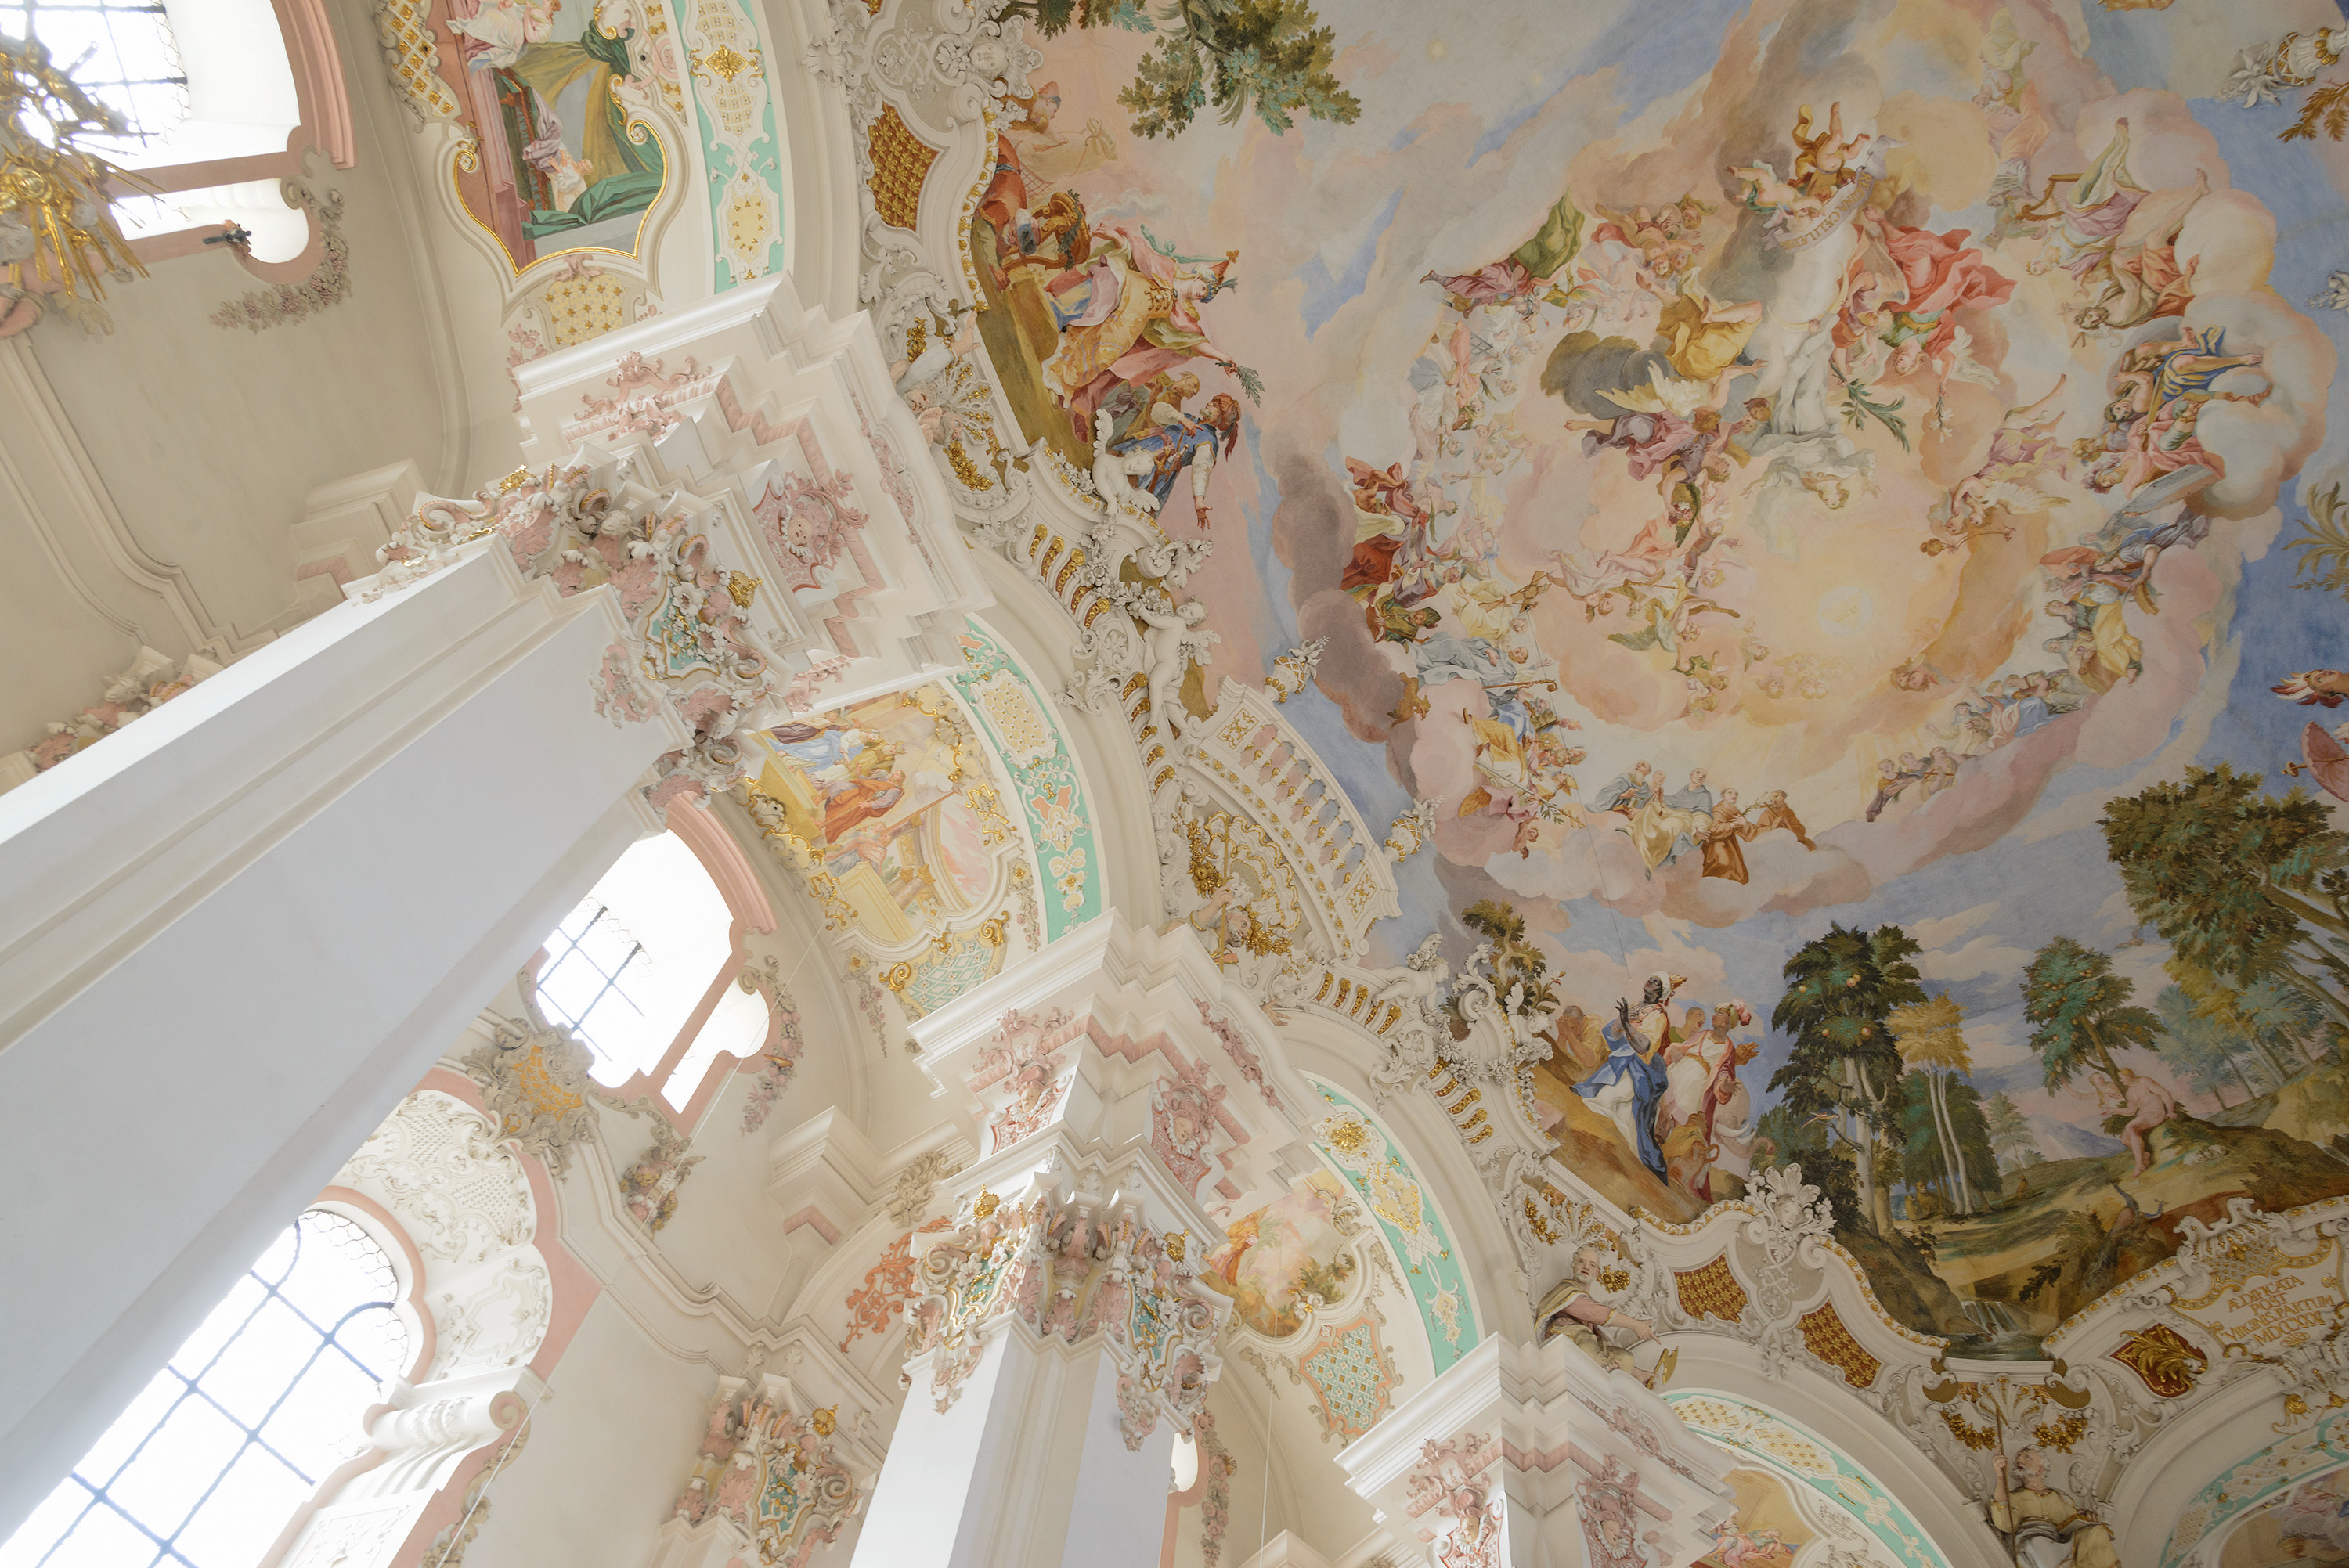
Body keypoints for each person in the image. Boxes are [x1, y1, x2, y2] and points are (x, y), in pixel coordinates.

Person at [1573, 973, 1681, 1177]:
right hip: (1622, 1061)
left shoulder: (1658, 1017)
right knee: (1608, 1102)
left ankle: (1611, 1156)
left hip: (1640, 1070)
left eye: (1656, 982)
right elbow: (1614, 1037)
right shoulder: (1634, 1006)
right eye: (1650, 979)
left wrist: (1626, 1022)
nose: (1650, 982)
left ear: (1661, 992)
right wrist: (1620, 1022)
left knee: (1608, 1100)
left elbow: (1643, 1047)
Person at [1535, 1245, 1661, 1380]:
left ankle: (1609, 1371)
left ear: (1597, 1272)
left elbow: (1597, 1331)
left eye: (1592, 1265)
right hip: (1562, 1334)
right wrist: (1635, 1324)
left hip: (1586, 1344)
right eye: (1581, 1262)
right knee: (1585, 1335)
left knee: (1625, 1357)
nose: (1586, 1267)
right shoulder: (1566, 1290)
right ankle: (1600, 1369)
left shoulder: (1587, 1299)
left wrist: (1637, 1373)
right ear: (1574, 1266)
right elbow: (1593, 1312)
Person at [1991, 1447, 2116, 1568]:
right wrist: (2001, 1478)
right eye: (2019, 1457)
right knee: (2038, 1543)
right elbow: (2005, 1524)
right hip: (2032, 1543)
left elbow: (2074, 1519)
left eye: (2027, 1458)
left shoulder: (2060, 1497)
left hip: (2059, 1544)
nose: (2019, 1460)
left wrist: (2089, 1517)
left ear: (2040, 1469)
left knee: (2097, 1531)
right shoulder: (2013, 1497)